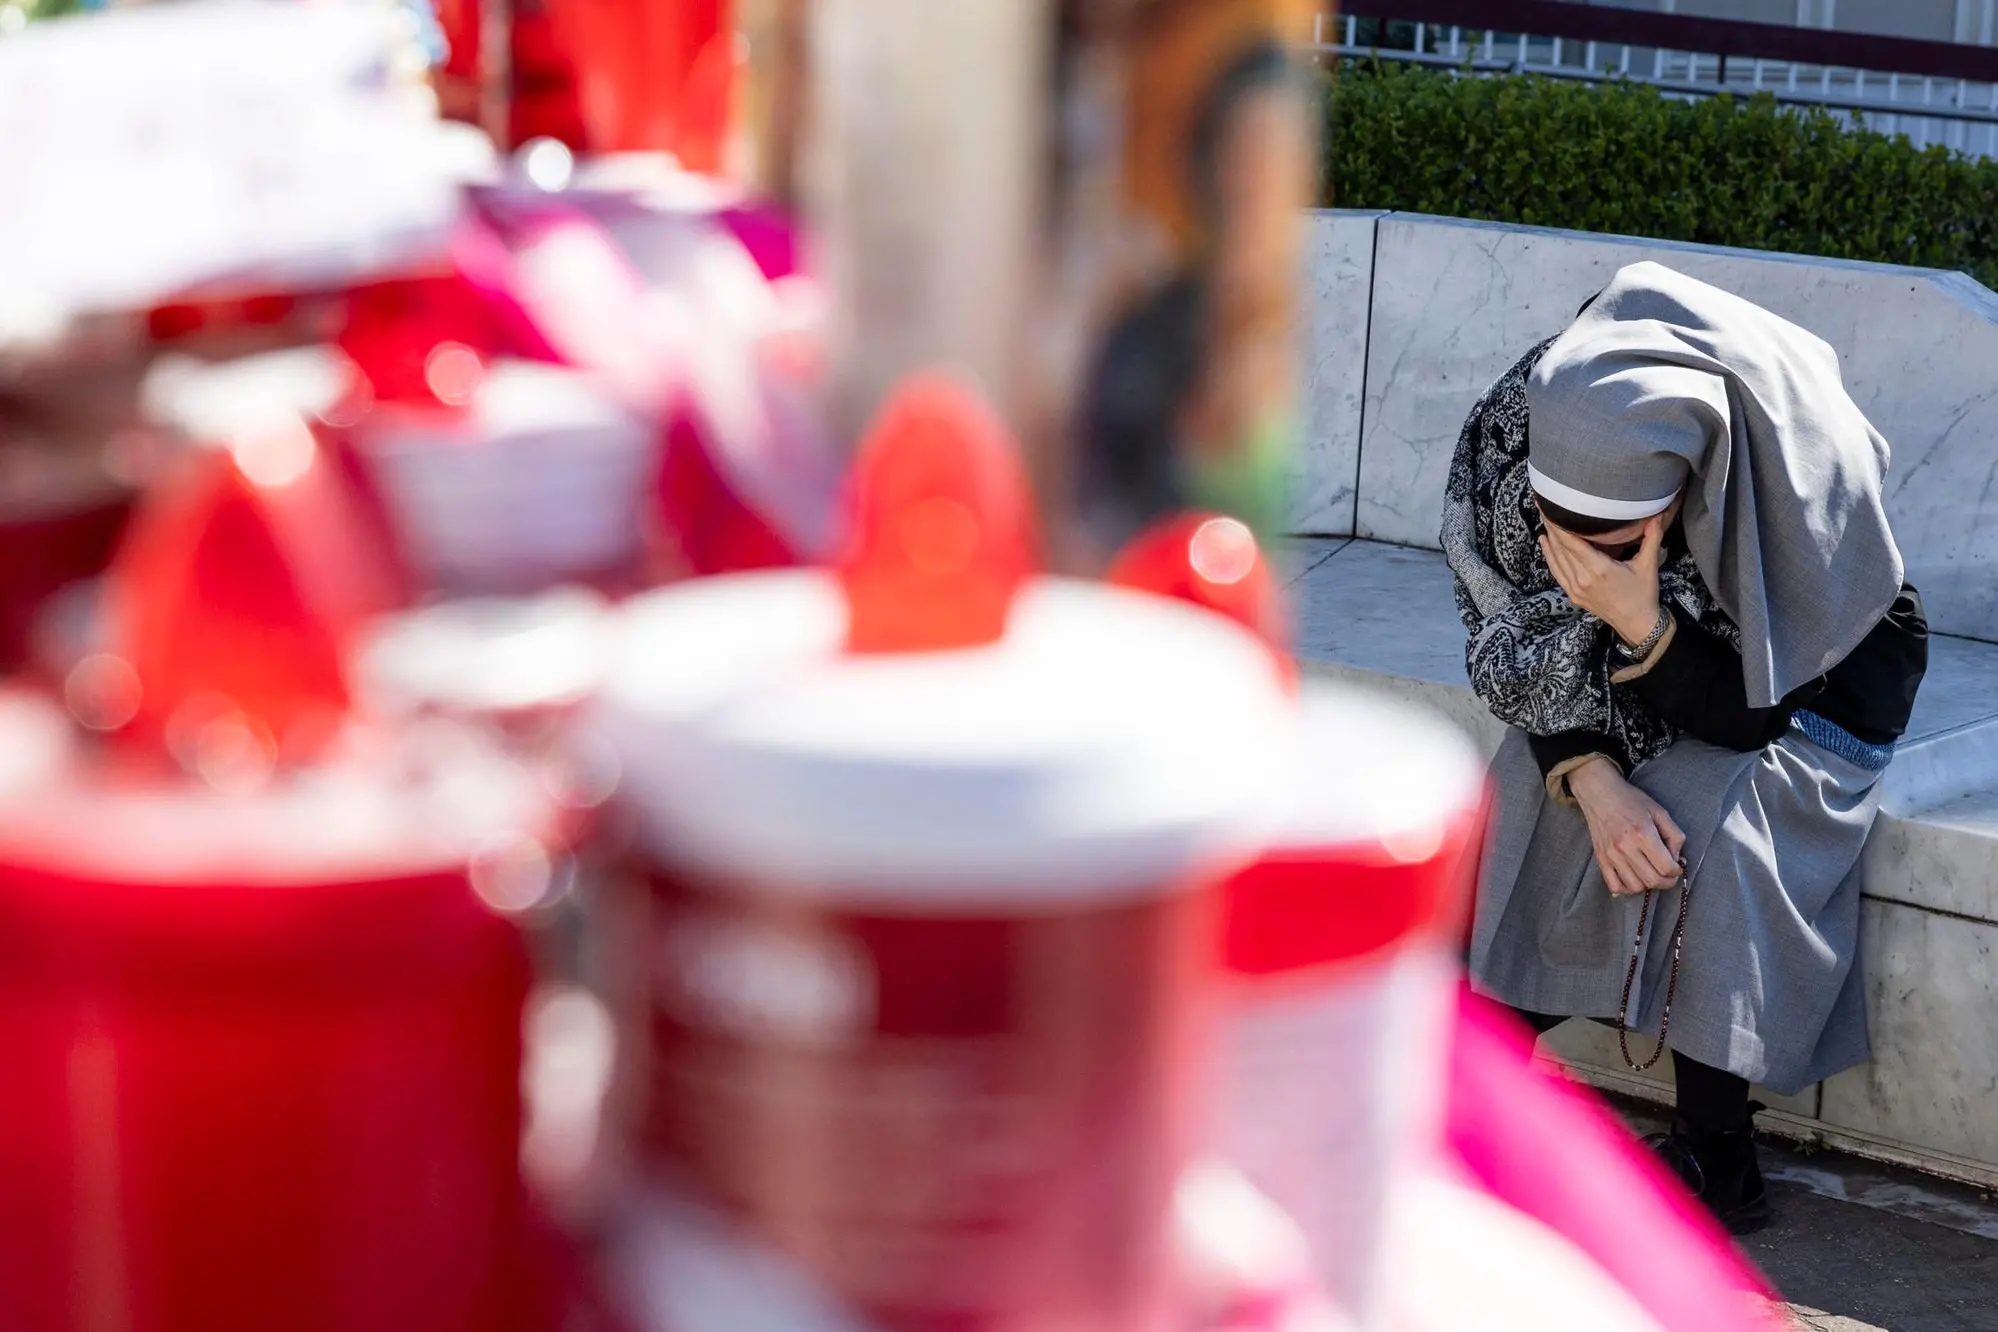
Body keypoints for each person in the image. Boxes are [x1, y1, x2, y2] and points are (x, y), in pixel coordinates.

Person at [1441, 262, 1928, 1235]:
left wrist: (1639, 619)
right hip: (1644, 652)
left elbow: (1750, 708)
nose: (1571, 566)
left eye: (1607, 543)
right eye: (1556, 537)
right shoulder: (1530, 415)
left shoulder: (1781, 475)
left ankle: (1717, 1153)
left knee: (1724, 826)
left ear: (1668, 508)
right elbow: (1517, 625)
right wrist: (1589, 770)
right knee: (1539, 790)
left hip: (1812, 678)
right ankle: (1465, 1081)